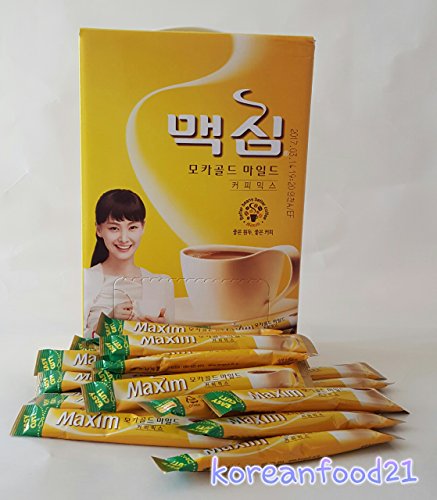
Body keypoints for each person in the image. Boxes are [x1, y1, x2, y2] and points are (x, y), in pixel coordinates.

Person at [83, 189, 174, 337]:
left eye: (132, 227)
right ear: (99, 230)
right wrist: (110, 322)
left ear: (143, 227)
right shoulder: (85, 280)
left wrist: (162, 331)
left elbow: (175, 344)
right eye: (114, 228)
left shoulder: (161, 284)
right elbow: (73, 342)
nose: (124, 238)